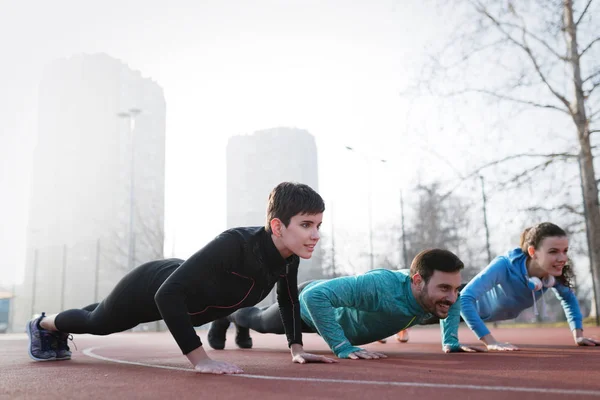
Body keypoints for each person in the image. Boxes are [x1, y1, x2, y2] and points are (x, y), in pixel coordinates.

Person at [26, 182, 336, 374]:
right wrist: (200, 359)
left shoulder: (288, 256)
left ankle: (71, 316)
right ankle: (42, 323)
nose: (315, 235)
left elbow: (289, 300)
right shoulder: (235, 243)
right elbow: (167, 294)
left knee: (98, 312)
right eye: (307, 225)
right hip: (151, 287)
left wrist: (296, 348)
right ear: (279, 226)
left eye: (318, 225)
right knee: (97, 323)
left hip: (182, 297)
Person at [208, 248, 473, 359]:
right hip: (308, 306)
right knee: (261, 322)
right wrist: (342, 347)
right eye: (444, 288)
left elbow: (455, 303)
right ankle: (227, 315)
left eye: (455, 288)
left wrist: (450, 341)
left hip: (334, 317)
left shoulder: (439, 297)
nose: (452, 297)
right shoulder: (381, 286)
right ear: (417, 281)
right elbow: (315, 298)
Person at [445, 222, 600, 351]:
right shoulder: (504, 265)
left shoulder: (553, 272)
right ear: (533, 251)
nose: (562, 258)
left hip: (471, 310)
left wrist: (578, 334)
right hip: (451, 301)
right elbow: (464, 298)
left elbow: (569, 298)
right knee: (424, 309)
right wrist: (490, 341)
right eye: (553, 251)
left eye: (565, 251)